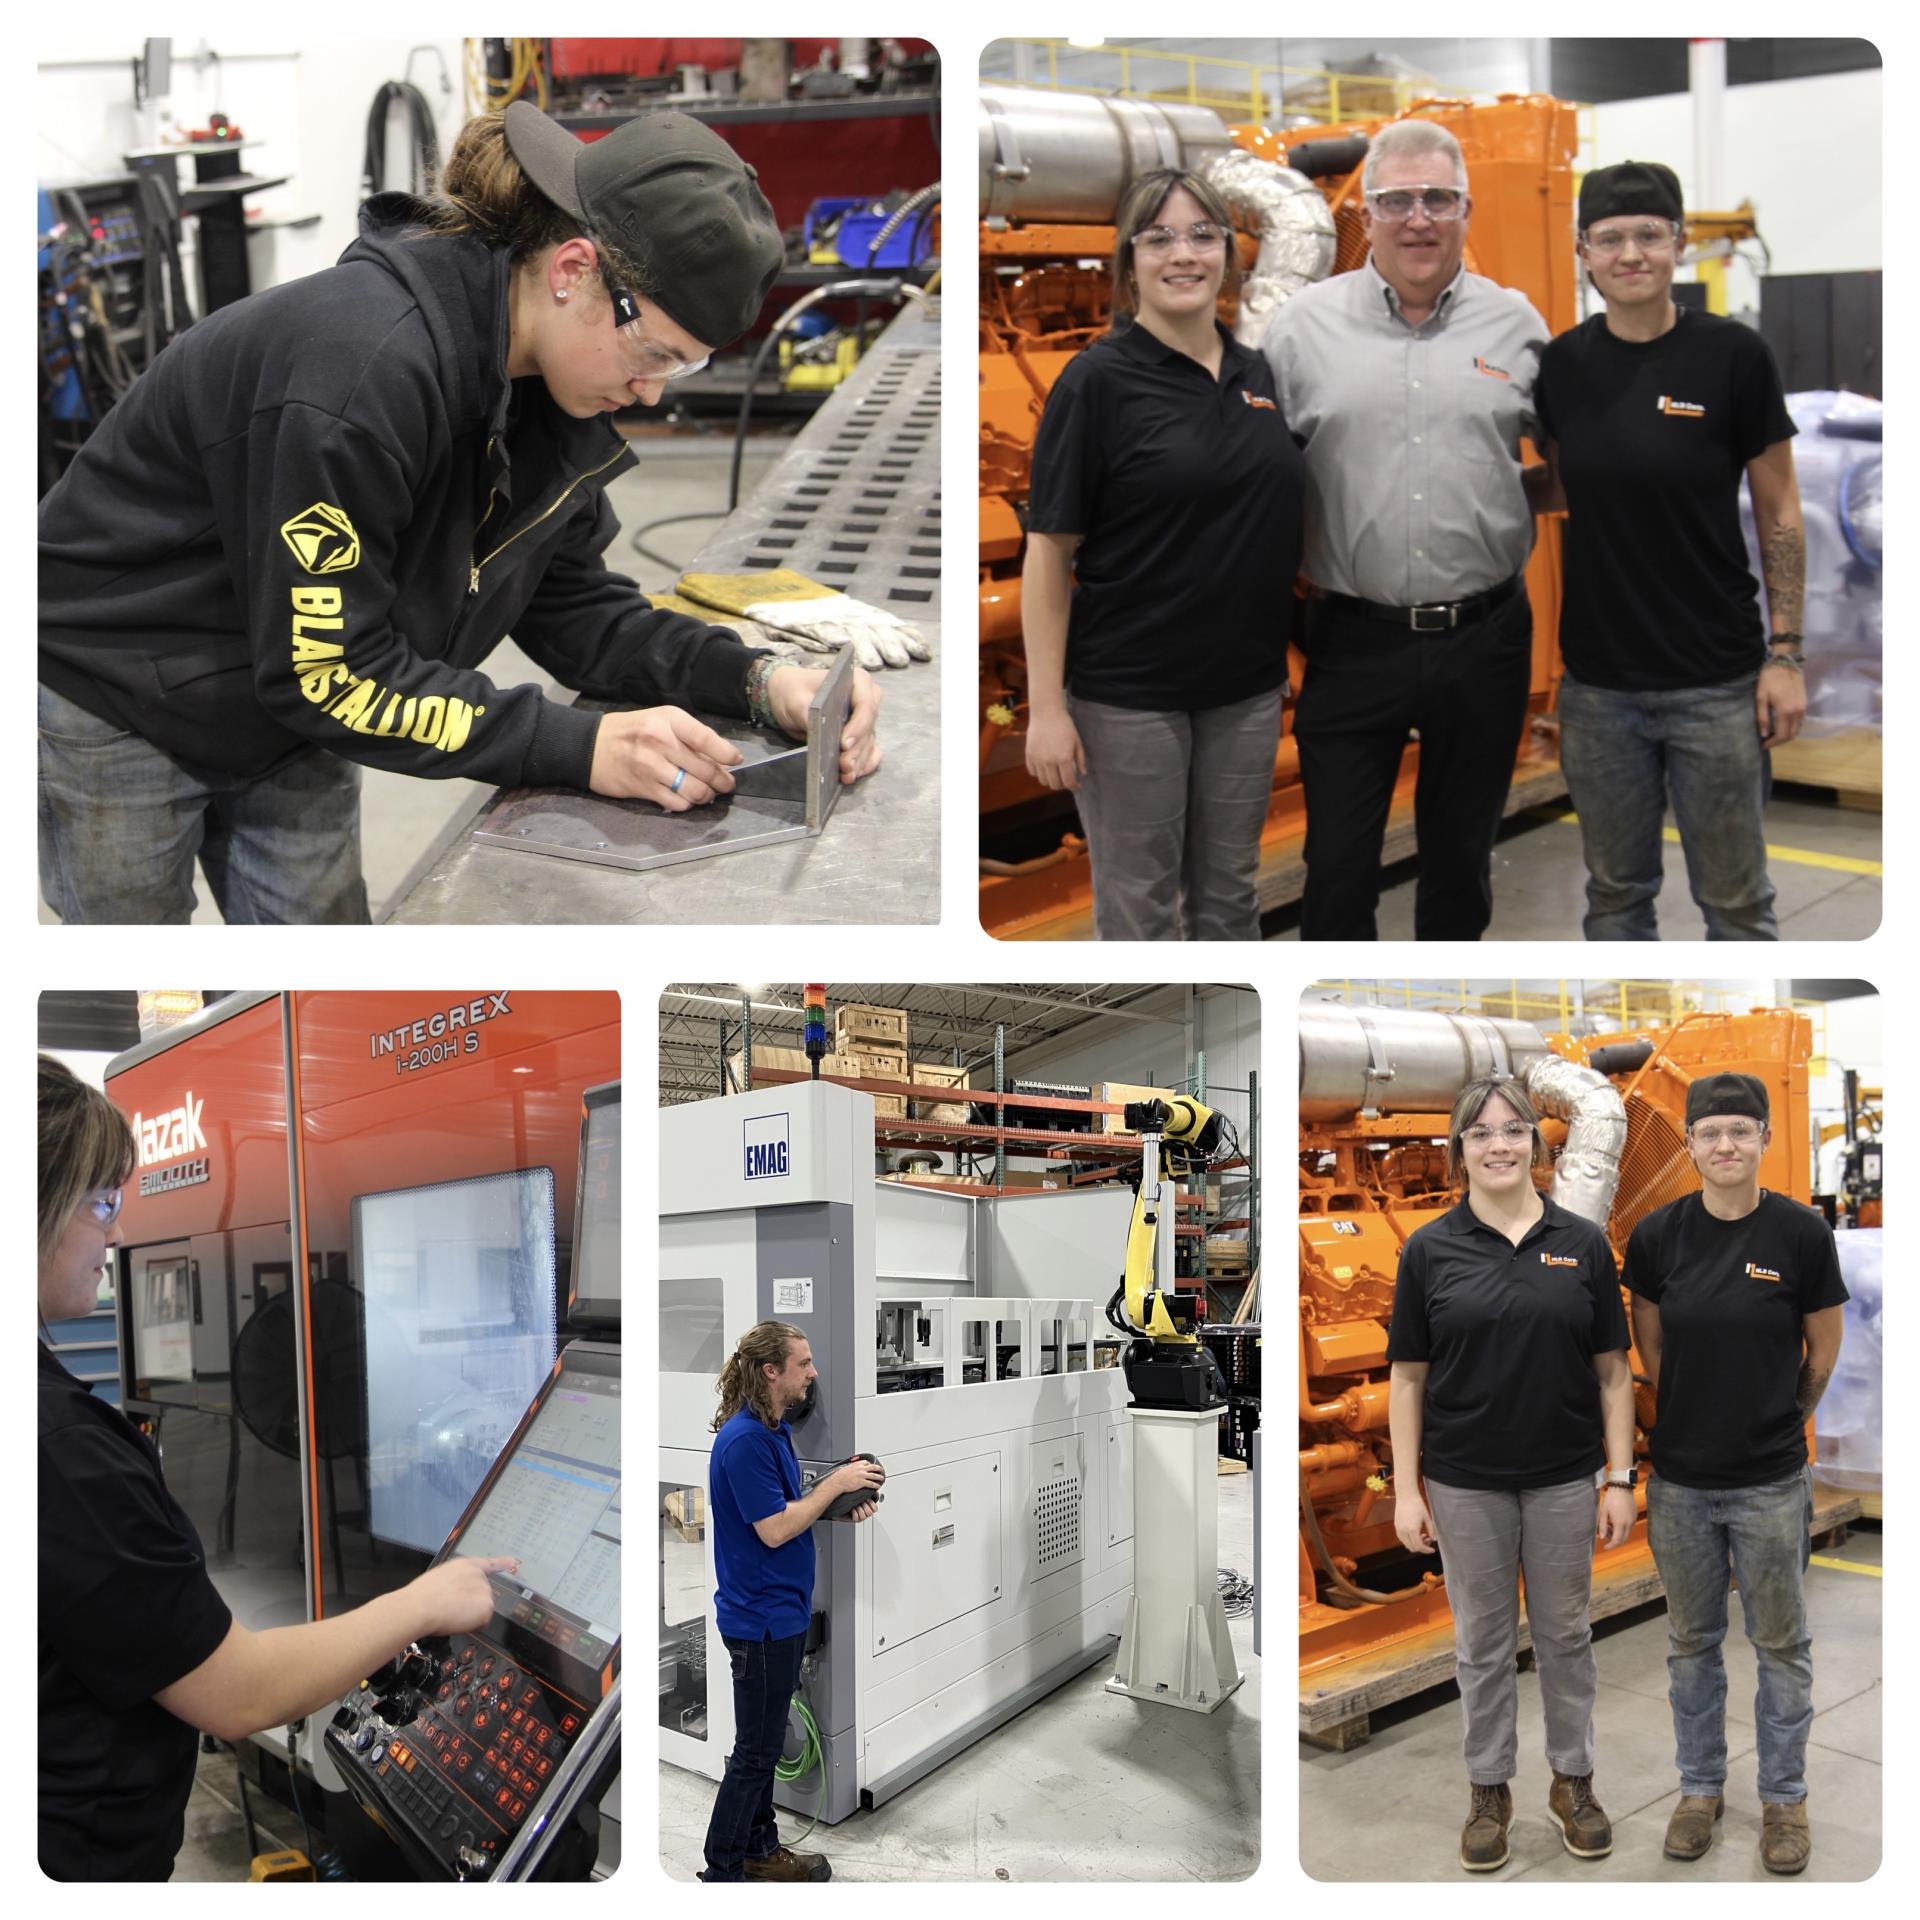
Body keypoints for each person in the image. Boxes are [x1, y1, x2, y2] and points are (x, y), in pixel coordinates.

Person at [39, 101, 884, 925]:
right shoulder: (360, 374)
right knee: (153, 985)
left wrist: (758, 680)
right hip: (122, 696)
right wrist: (577, 745)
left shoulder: (548, 387)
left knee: (322, 964)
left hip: (285, 697)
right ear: (572, 271)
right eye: (654, 353)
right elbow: (332, 674)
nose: (653, 391)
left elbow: (570, 603)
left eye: (683, 368)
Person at [37, 1055, 516, 1879]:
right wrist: (422, 1601)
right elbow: (241, 1693)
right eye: (103, 1203)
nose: (116, 1233)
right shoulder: (63, 1453)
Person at [1261, 120, 1553, 941]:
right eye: (1395, 200)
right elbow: (1256, 479)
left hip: (1485, 635)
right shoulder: (1301, 328)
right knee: (1339, 870)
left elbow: (1575, 454)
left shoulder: (1517, 325)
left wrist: (1498, 494)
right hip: (1353, 639)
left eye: (1437, 199)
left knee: (1461, 865)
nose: (1417, 218)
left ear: (1467, 209)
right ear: (1370, 213)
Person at [1021, 166, 1305, 940]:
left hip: (1244, 692)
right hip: (1128, 699)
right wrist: (1046, 711)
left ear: (1227, 255)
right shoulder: (1098, 382)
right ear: (1128, 262)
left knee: (1231, 897)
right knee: (1140, 905)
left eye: (1202, 235)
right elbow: (1048, 554)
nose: (1184, 255)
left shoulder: (1259, 373)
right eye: (1160, 238)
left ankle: (1231, 1053)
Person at [1536, 162, 1804, 941]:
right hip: (1599, 689)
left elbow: (1781, 509)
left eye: (1649, 235)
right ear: (1583, 249)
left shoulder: (1733, 357)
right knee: (1615, 897)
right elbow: (1557, 487)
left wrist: (1785, 654)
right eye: (1611, 238)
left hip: (1715, 685)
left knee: (1737, 903)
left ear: (1681, 246)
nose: (1631, 254)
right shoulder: (1562, 365)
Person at [1386, 1075, 1635, 1872]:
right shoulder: (1430, 1250)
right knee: (1482, 1645)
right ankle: (1488, 1788)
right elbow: (1407, 1380)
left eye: (1514, 1129)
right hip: (1464, 1482)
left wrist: (1620, 1478)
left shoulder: (1581, 1243)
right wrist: (1405, 1489)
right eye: (1481, 1132)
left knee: (1566, 1637)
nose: (1499, 1144)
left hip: (1564, 1478)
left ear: (1537, 1141)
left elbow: (1614, 1372)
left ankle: (1573, 1780)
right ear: (1459, 1150)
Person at [1624, 1072, 1847, 1874]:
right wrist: (1686, 1407)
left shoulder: (1799, 1233)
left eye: (1740, 1132)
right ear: (1688, 1143)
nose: (1725, 1146)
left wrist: (1788, 1414)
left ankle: (1785, 1798)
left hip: (1769, 1480)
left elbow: (1823, 1344)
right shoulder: (1656, 1237)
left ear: (1764, 1140)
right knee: (1692, 1645)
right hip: (1680, 1482)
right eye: (1710, 1133)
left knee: (1781, 1645)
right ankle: (1700, 1790)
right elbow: (1649, 1347)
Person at [700, 1321, 884, 1883]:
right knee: (756, 1753)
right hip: (760, 1621)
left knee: (760, 1743)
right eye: (803, 1364)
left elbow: (786, 1508)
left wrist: (834, 1504)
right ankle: (724, 1869)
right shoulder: (747, 1441)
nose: (814, 1373)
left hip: (775, 1614)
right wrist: (834, 1485)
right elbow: (776, 1530)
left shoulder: (770, 1429)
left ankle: (759, 1847)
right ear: (770, 1371)